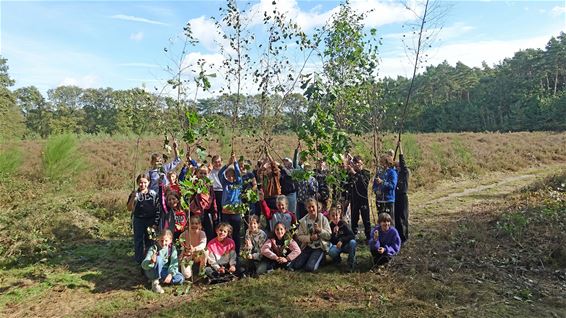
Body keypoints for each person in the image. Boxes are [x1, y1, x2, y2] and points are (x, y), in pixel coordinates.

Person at [127, 174, 159, 265]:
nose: (143, 184)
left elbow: (158, 209)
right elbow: (129, 208)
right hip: (138, 221)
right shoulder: (134, 194)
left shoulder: (153, 194)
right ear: (137, 183)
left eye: (145, 182)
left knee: (151, 240)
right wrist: (133, 197)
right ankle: (139, 261)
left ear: (149, 183)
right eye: (140, 182)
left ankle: (149, 260)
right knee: (138, 240)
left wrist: (155, 223)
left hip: (151, 221)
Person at [293, 198, 331, 272]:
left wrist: (320, 231)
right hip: (308, 246)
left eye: (313, 206)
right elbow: (299, 236)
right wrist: (310, 238)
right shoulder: (304, 221)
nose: (311, 209)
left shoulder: (323, 219)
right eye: (309, 207)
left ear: (317, 207)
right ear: (306, 208)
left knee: (310, 268)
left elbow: (329, 235)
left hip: (319, 247)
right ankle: (311, 258)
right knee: (296, 265)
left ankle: (322, 258)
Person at [141, 229, 184, 294]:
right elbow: (144, 265)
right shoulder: (154, 249)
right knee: (159, 259)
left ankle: (161, 280)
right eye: (161, 240)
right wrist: (151, 261)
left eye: (166, 241)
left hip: (165, 271)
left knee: (180, 278)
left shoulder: (172, 249)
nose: (163, 243)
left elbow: (174, 263)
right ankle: (155, 283)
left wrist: (170, 274)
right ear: (158, 239)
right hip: (153, 270)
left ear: (170, 240)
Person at [219, 151, 243, 256]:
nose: (230, 177)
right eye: (228, 175)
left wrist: (235, 162)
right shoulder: (225, 184)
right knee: (226, 233)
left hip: (235, 213)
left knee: (236, 234)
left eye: (232, 175)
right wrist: (228, 164)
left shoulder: (238, 184)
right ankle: (226, 252)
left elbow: (238, 174)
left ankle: (236, 253)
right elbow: (220, 173)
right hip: (225, 212)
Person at [189, 165, 218, 242]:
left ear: (208, 174)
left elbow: (213, 198)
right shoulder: (194, 183)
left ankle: (208, 247)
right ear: (197, 174)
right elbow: (190, 196)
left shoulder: (209, 185)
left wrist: (214, 211)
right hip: (196, 211)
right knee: (196, 230)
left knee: (209, 231)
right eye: (201, 173)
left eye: (205, 173)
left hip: (206, 210)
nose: (203, 175)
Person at [346, 155, 371, 241]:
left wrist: (355, 174)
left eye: (359, 163)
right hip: (354, 198)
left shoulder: (366, 173)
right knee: (354, 217)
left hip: (363, 198)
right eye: (355, 163)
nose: (357, 165)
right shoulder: (350, 174)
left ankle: (368, 236)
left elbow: (364, 184)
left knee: (366, 218)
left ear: (362, 163)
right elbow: (348, 186)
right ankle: (354, 235)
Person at [327, 205, 357, 271]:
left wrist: (341, 240)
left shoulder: (343, 224)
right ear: (330, 217)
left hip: (346, 245)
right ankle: (337, 259)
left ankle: (350, 263)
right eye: (333, 216)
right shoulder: (330, 226)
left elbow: (352, 236)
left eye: (336, 215)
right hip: (337, 246)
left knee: (353, 242)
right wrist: (334, 234)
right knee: (331, 251)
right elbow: (330, 240)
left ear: (339, 215)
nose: (335, 217)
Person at [180, 216, 208, 280]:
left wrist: (195, 248)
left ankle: (201, 272)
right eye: (192, 223)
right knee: (187, 275)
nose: (194, 225)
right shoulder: (184, 234)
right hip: (188, 255)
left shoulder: (202, 233)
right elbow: (181, 240)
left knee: (205, 251)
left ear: (200, 225)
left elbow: (203, 244)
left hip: (197, 254)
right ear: (188, 225)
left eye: (196, 223)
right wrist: (185, 247)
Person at [373, 155, 398, 226]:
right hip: (379, 200)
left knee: (389, 221)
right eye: (380, 162)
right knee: (381, 221)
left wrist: (383, 182)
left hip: (388, 200)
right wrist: (376, 190)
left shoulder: (392, 172)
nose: (381, 164)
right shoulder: (379, 172)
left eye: (382, 162)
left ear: (387, 163)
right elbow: (374, 185)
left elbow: (393, 185)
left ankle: (391, 236)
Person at [395, 141, 410, 244]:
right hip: (395, 197)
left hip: (403, 197)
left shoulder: (405, 172)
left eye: (398, 165)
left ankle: (404, 237)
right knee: (396, 217)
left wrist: (400, 149)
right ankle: (399, 236)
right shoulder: (396, 173)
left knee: (403, 217)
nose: (396, 167)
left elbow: (403, 162)